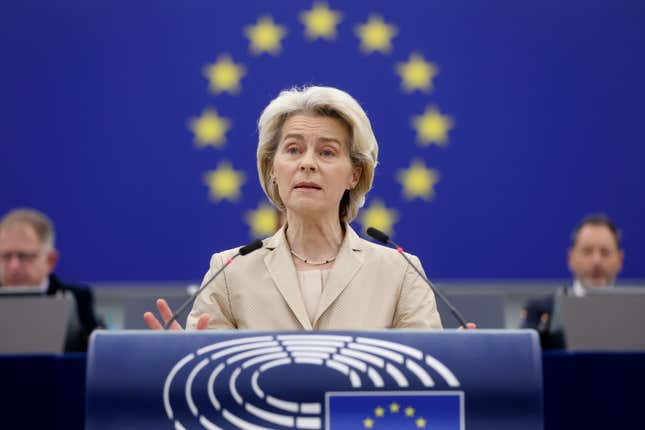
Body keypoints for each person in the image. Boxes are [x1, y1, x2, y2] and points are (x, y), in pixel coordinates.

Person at [145, 86, 445, 331]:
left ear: (354, 174)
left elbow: (423, 381)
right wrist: (183, 362)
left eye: (327, 152)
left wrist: (456, 358)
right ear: (272, 167)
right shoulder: (228, 271)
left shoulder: (401, 272)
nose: (307, 163)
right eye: (293, 150)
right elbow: (209, 387)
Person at [0, 208, 102, 351]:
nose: (14, 266)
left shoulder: (77, 299)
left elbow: (98, 353)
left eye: (23, 256)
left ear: (50, 260)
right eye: (5, 256)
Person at [520, 214, 624, 348]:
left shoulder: (637, 315)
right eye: (587, 251)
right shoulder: (541, 312)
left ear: (620, 260)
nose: (596, 261)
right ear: (571, 258)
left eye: (605, 252)